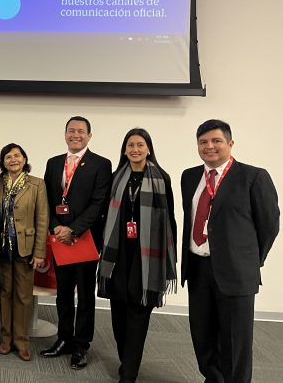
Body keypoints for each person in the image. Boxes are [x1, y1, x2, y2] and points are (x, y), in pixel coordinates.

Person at [181, 119, 279, 383]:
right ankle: (214, 379)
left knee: (235, 342)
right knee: (202, 336)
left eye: (216, 141)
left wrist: (249, 262)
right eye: (203, 142)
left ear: (230, 143)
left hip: (236, 273)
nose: (209, 147)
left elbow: (269, 225)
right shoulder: (189, 176)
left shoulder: (253, 176)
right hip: (199, 269)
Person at [97, 128, 177, 383]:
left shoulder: (161, 178)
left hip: (147, 260)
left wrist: (168, 260)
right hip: (118, 256)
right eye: (130, 145)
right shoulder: (116, 178)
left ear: (149, 149)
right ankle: (125, 360)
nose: (135, 149)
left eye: (140, 145)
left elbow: (169, 220)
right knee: (119, 314)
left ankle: (129, 372)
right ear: (124, 150)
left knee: (138, 314)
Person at [40, 116, 111, 369]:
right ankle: (64, 338)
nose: (76, 135)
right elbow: (46, 198)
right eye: (71, 130)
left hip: (85, 239)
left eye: (81, 131)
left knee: (85, 296)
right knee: (63, 293)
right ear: (65, 134)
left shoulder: (101, 164)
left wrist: (74, 229)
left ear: (89, 136)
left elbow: (99, 203)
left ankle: (81, 344)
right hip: (59, 237)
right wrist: (56, 227)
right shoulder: (53, 162)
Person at [0, 143, 49, 362]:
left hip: (25, 248)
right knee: (4, 293)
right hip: (2, 247)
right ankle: (6, 338)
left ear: (24, 159)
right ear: (3, 161)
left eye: (17, 155)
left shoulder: (37, 185)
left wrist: (39, 251)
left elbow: (42, 219)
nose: (13, 159)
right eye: (8, 156)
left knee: (24, 296)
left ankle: (22, 341)